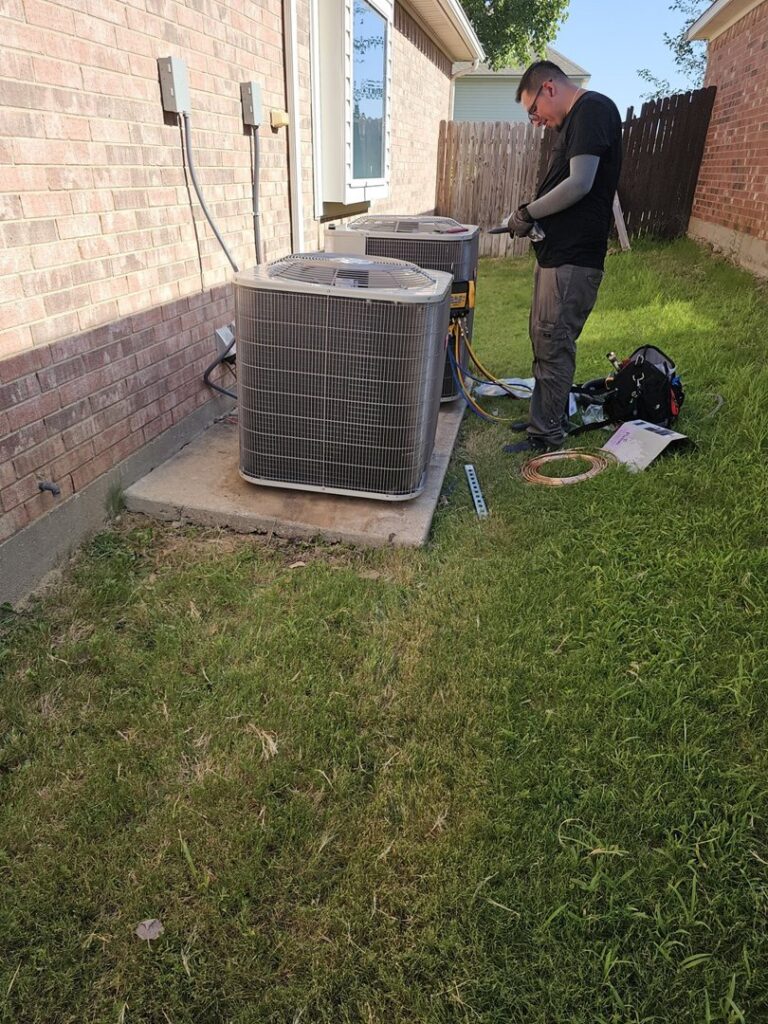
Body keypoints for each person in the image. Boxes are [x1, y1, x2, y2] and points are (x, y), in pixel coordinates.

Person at [503, 60, 623, 454]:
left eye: (533, 110)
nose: (535, 120)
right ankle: (543, 418)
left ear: (549, 87)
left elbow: (579, 184)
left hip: (574, 259)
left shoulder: (593, 109)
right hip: (557, 256)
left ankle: (548, 434)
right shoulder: (574, 121)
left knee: (554, 342)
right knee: (543, 338)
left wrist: (528, 212)